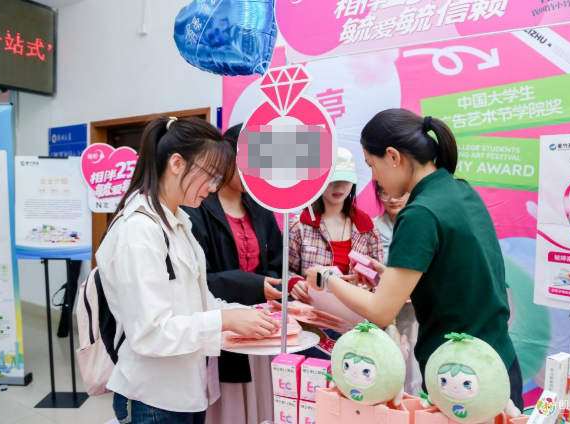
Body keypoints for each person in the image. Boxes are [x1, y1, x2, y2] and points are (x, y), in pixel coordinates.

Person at [305, 109, 524, 411]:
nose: (375, 177)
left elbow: (380, 311)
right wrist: (388, 275)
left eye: (372, 165)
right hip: (498, 362)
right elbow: (454, 274)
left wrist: (326, 279)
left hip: (462, 380)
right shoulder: (459, 190)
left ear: (393, 157)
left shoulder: (419, 213)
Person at [95, 116, 279, 424]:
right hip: (152, 398)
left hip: (187, 390)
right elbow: (150, 334)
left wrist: (245, 317)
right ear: (177, 163)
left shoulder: (179, 222)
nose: (213, 187)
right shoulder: (139, 230)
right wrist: (226, 320)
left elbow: (200, 300)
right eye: (211, 175)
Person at [184, 123, 282, 424]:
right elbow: (199, 280)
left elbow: (276, 261)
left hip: (262, 327)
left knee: (262, 405)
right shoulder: (197, 209)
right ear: (229, 159)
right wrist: (254, 284)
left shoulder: (261, 208)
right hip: (223, 328)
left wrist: (280, 285)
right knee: (229, 409)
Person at [288, 147, 383, 355]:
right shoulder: (300, 225)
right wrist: (293, 282)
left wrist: (369, 287)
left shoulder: (367, 227)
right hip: (312, 324)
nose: (339, 186)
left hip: (356, 323)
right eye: (332, 180)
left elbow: (378, 278)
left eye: (345, 180)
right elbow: (285, 270)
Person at [372, 181, 422, 396]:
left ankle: (414, 400)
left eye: (398, 194)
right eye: (385, 193)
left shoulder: (422, 226)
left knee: (414, 361)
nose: (392, 199)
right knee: (384, 361)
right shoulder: (371, 227)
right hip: (381, 308)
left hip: (415, 309)